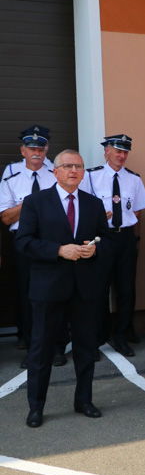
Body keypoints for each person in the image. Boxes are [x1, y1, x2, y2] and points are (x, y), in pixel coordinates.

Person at [15, 149, 110, 428]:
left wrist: (95, 250)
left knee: (85, 348)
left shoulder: (93, 203)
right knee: (41, 349)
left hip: (84, 289)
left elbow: (106, 240)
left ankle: (84, 401)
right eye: (67, 166)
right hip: (48, 287)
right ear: (55, 171)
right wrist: (58, 250)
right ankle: (36, 407)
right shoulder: (35, 202)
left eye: (78, 166)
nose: (73, 171)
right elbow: (23, 242)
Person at [80, 134, 145, 357]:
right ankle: (97, 337)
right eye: (118, 151)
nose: (122, 156)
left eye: (125, 152)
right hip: (101, 238)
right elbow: (81, 208)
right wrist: (97, 220)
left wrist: (135, 240)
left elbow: (137, 212)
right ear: (107, 152)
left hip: (125, 239)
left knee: (126, 289)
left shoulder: (134, 179)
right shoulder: (91, 177)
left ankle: (121, 334)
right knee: (98, 289)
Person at [0, 125, 61, 367]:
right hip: (24, 242)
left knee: (55, 293)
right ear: (22, 150)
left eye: (40, 148)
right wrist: (32, 202)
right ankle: (31, 346)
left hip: (51, 240)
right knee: (27, 295)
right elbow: (6, 218)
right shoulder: (11, 177)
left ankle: (57, 346)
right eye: (31, 148)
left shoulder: (56, 175)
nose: (36, 152)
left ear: (46, 150)